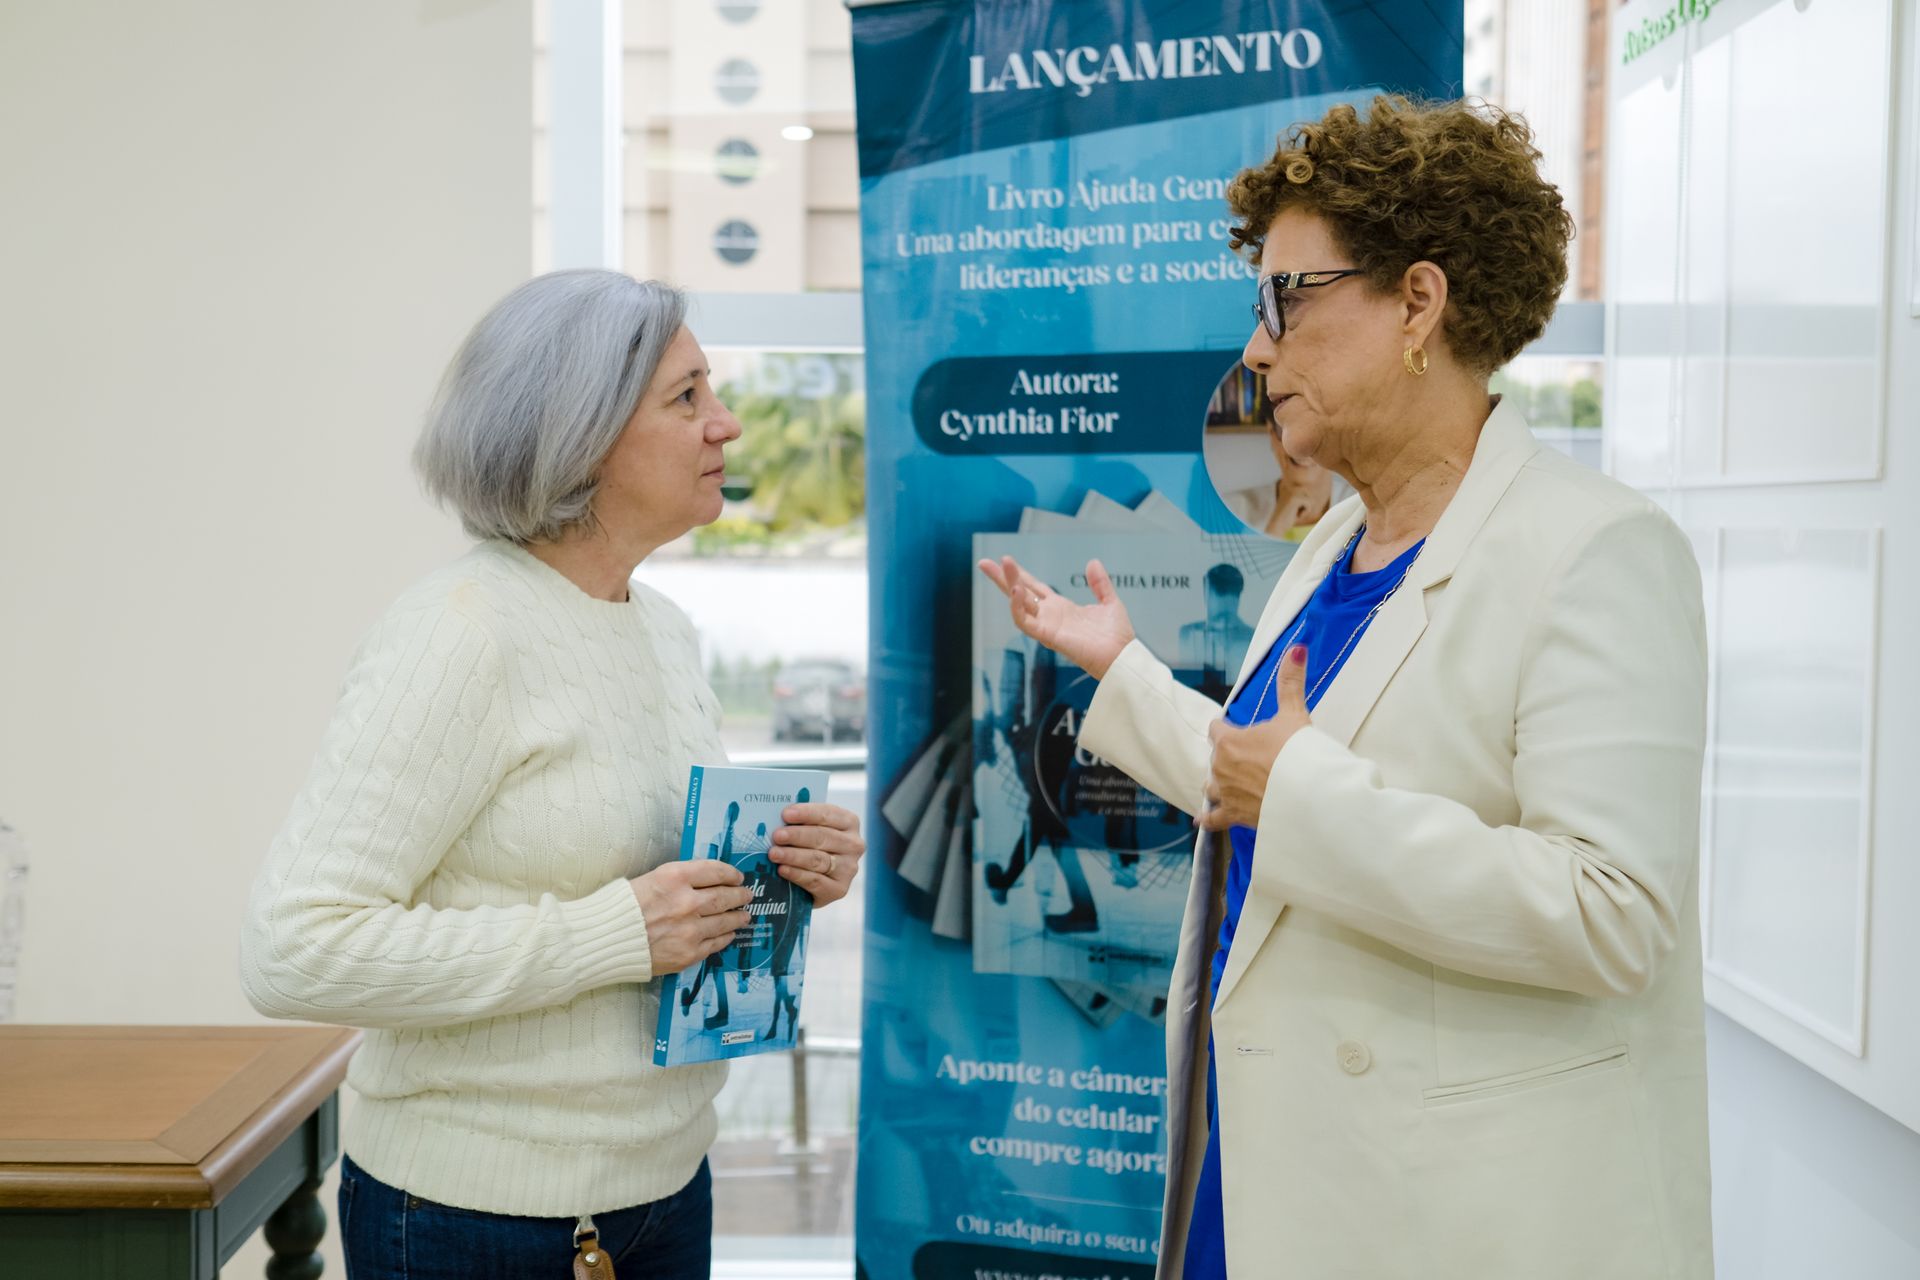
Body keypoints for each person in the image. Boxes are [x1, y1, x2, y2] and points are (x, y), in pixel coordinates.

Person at [980, 96, 1711, 1279]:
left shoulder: (1596, 549)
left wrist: (1307, 792)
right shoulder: (1333, 545)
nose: (1258, 348)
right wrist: (1124, 672)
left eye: (1286, 298)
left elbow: (1610, 911)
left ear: (1419, 302)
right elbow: (1259, 772)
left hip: (1448, 1212)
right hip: (1268, 1165)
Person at [240, 270, 867, 1280]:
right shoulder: (455, 634)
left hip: (665, 1190)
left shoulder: (665, 631)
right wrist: (612, 932)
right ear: (580, 441)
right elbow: (294, 949)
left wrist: (787, 870)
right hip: (473, 1220)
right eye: (688, 396)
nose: (731, 425)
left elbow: (654, 881)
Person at [1218, 432, 1336, 540]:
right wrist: (1276, 527)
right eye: (1283, 428)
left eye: (1315, 431)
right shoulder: (1227, 511)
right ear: (1271, 433)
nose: (1299, 447)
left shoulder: (1354, 505)